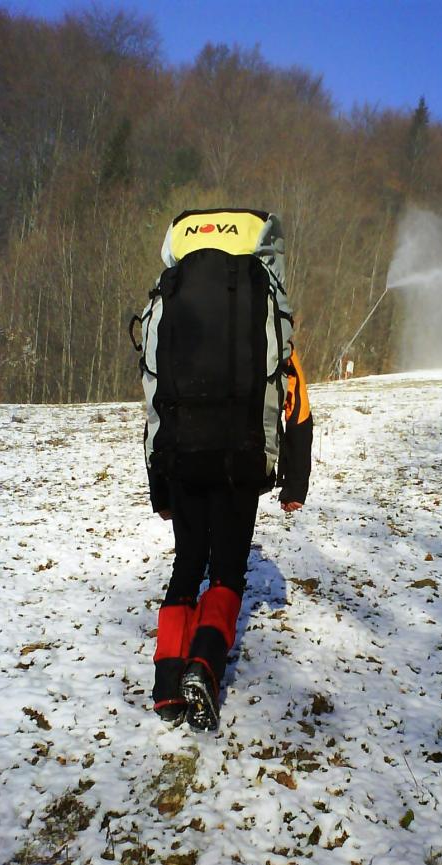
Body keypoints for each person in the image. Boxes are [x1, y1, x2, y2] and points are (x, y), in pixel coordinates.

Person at [141, 208, 313, 732]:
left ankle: (167, 684)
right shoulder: (263, 308)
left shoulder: (171, 306)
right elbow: (298, 403)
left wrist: (159, 489)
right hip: (241, 455)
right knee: (229, 570)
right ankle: (205, 666)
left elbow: (153, 397)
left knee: (186, 567)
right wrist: (294, 482)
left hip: (182, 456)